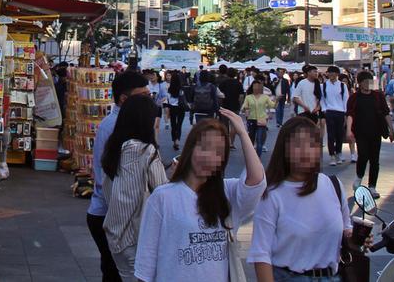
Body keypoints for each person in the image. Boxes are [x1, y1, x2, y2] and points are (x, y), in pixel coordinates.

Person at [135, 110, 266, 281]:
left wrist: (242, 133)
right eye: (204, 148)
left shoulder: (227, 192)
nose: (210, 157)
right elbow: (146, 263)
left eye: (219, 153)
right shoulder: (163, 197)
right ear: (190, 150)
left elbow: (257, 179)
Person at [248, 116, 353, 282]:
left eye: (312, 145)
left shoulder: (333, 185)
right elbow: (261, 254)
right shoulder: (272, 195)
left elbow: (346, 230)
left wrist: (355, 237)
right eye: (298, 145)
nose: (306, 151)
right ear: (285, 148)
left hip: (332, 277)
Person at [88, 69, 152, 282]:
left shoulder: (124, 124)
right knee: (116, 272)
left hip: (114, 213)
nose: (148, 101)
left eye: (149, 95)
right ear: (124, 99)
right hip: (110, 213)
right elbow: (111, 177)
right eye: (142, 96)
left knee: (113, 271)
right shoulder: (115, 127)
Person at [101, 94, 168, 276]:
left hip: (116, 234)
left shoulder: (115, 146)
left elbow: (108, 188)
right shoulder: (145, 151)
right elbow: (163, 191)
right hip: (134, 236)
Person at [345, 70, 392, 198]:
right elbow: (350, 114)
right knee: (363, 155)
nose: (367, 84)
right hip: (360, 131)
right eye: (364, 82)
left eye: (369, 81)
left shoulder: (378, 96)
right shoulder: (354, 97)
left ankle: (372, 186)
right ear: (359, 83)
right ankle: (359, 177)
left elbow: (386, 112)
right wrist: (349, 130)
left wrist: (391, 128)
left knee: (374, 160)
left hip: (376, 131)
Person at [321, 66, 349, 166]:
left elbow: (346, 99)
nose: (332, 75)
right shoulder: (323, 86)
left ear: (337, 74)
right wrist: (324, 109)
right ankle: (332, 155)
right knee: (331, 135)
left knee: (339, 134)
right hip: (329, 112)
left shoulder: (342, 85)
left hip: (340, 112)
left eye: (334, 73)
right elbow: (322, 99)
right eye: (330, 73)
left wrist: (346, 113)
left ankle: (338, 153)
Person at [239, 78, 275, 156]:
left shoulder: (265, 96)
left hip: (261, 120)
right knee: (251, 139)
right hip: (251, 119)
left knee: (259, 139)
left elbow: (272, 105)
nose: (256, 88)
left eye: (258, 86)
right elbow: (244, 106)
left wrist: (277, 100)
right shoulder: (249, 97)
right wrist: (246, 109)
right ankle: (251, 155)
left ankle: (258, 157)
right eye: (255, 86)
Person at [166, 71, 187, 152]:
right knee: (179, 125)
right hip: (180, 108)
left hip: (172, 108)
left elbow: (168, 100)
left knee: (173, 125)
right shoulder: (181, 89)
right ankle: (178, 140)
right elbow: (183, 99)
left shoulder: (169, 89)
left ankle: (174, 140)